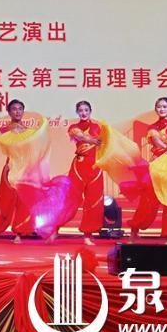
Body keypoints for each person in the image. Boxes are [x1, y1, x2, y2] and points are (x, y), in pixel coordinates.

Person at [0, 100, 39, 244]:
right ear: (9, 112)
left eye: (20, 109)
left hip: (25, 168)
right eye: (14, 109)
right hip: (11, 167)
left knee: (23, 201)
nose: (17, 112)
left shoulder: (29, 131)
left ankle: (19, 233)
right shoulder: (5, 129)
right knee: (4, 200)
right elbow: (9, 144)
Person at [128, 97, 167, 241]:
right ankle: (135, 228)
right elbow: (157, 142)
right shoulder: (152, 128)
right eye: (159, 107)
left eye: (164, 106)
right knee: (148, 200)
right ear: (155, 109)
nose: (162, 109)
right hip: (157, 166)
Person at [66, 101, 104, 246]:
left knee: (93, 201)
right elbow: (82, 137)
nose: (83, 113)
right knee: (71, 198)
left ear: (90, 111)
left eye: (86, 110)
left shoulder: (98, 127)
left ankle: (88, 234)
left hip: (95, 167)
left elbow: (105, 143)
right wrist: (95, 140)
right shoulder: (73, 128)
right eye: (80, 110)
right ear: (77, 112)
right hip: (79, 167)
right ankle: (54, 228)